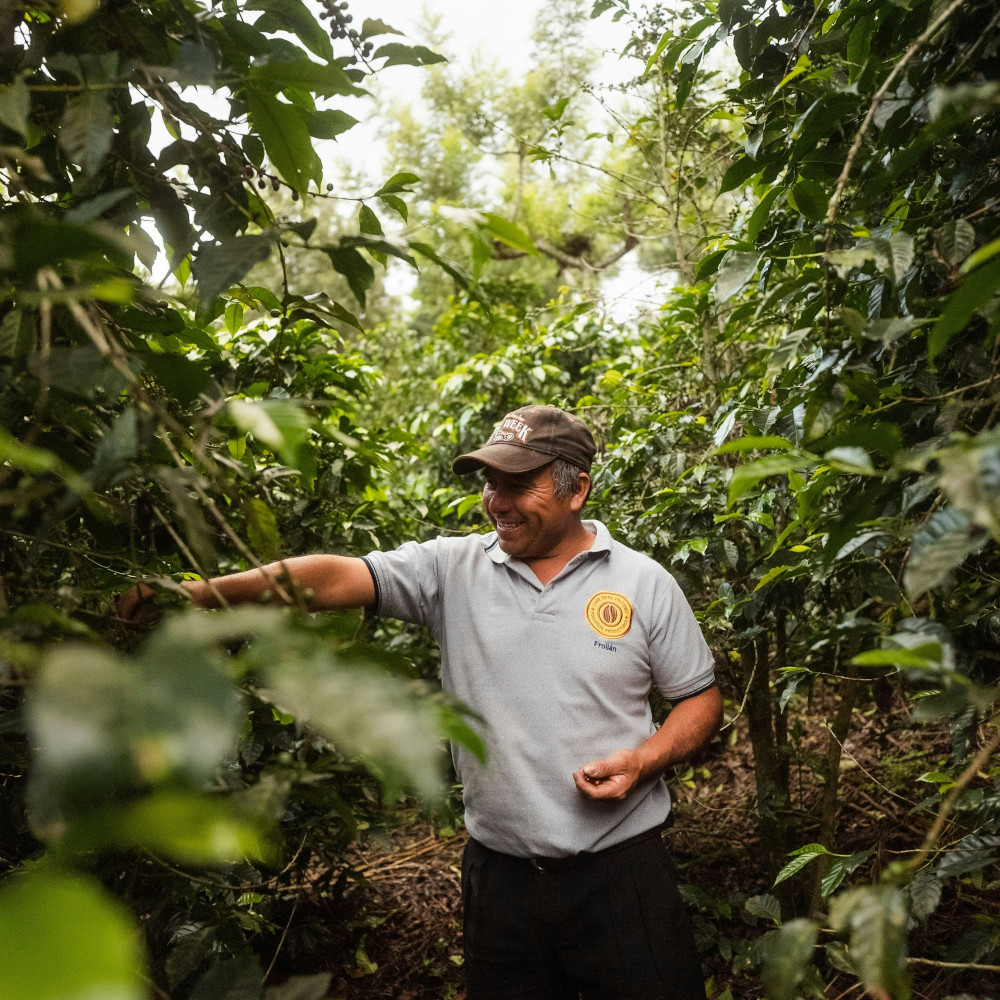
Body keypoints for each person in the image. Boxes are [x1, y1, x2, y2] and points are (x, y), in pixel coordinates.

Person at [118, 404, 722, 1000]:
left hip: (622, 874)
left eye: (519, 484)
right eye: (491, 482)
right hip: (502, 883)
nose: (498, 501)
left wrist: (643, 760)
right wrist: (200, 595)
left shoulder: (643, 583)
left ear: (577, 489)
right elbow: (330, 579)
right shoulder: (454, 569)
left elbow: (699, 698)